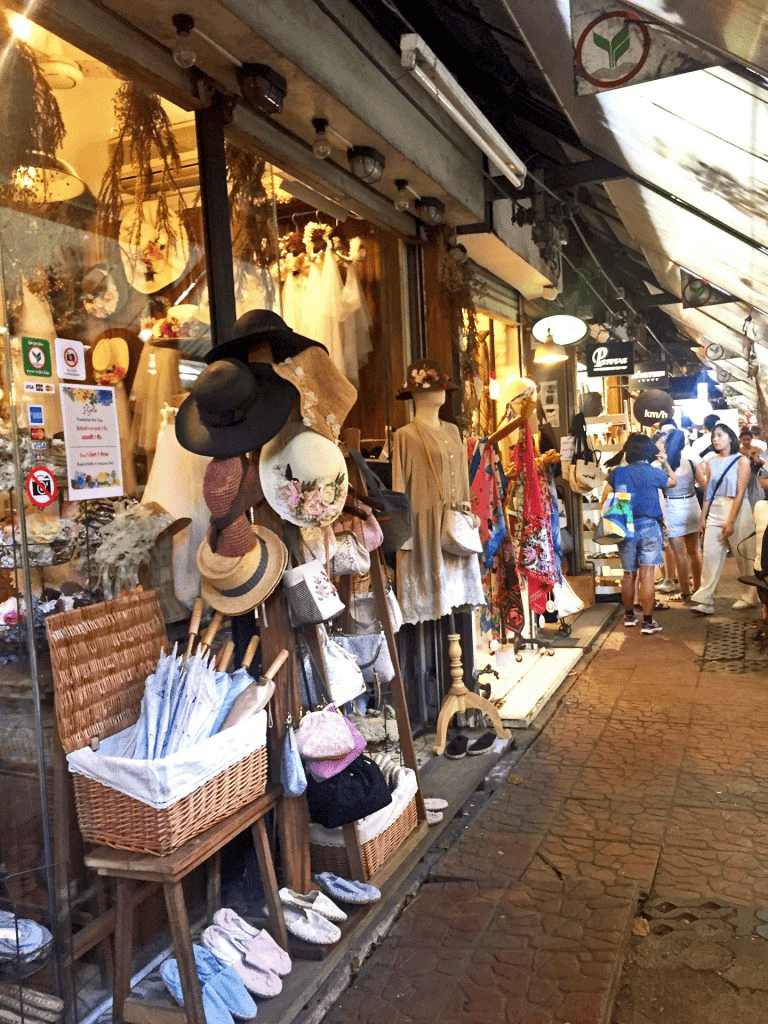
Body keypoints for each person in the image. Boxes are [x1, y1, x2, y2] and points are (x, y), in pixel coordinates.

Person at [609, 433, 676, 635]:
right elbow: (673, 481)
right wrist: (665, 464)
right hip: (649, 525)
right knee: (647, 573)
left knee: (629, 573)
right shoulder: (653, 472)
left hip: (625, 525)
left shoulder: (618, 472)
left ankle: (629, 616)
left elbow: (610, 489)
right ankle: (647, 621)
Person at [690, 423, 757, 614]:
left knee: (743, 555)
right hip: (715, 509)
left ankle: (749, 596)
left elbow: (740, 492)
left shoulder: (741, 461)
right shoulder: (711, 461)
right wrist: (703, 517)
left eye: (719, 435)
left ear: (730, 437)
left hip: (737, 509)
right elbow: (708, 492)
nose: (715, 439)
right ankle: (705, 600)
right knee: (710, 555)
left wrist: (731, 521)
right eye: (714, 436)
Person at [658, 428, 705, 600]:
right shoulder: (691, 462)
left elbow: (660, 491)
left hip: (673, 508)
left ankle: (685, 591)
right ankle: (698, 587)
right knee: (695, 551)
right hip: (692, 505)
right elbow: (704, 485)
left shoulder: (663, 464)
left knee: (680, 554)